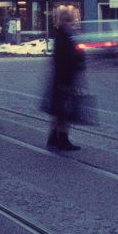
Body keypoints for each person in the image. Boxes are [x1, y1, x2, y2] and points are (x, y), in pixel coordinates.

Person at [42, 10, 85, 151]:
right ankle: (63, 140)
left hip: (61, 79)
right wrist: (78, 58)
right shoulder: (64, 36)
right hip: (64, 80)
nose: (67, 22)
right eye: (65, 19)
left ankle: (53, 138)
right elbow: (63, 59)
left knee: (60, 111)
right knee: (64, 112)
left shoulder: (62, 34)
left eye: (69, 19)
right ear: (61, 20)